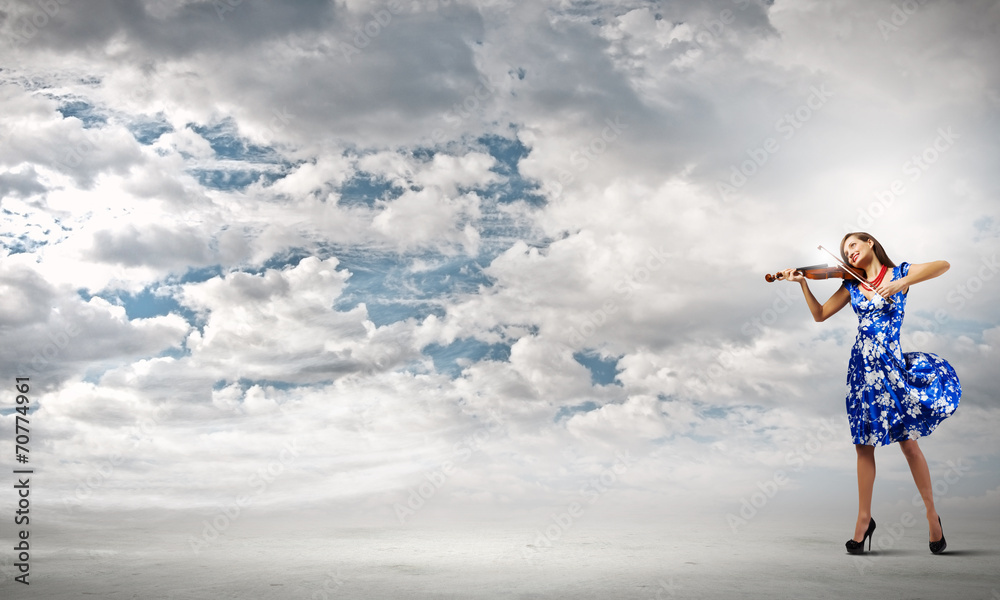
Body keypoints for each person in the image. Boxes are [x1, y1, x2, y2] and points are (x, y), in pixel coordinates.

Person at [780, 232, 961, 555]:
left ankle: (932, 516)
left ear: (870, 244)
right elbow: (820, 315)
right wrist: (803, 283)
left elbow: (943, 265)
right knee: (863, 446)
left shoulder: (899, 273)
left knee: (909, 445)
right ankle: (864, 520)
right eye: (844, 250)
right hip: (862, 370)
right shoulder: (851, 284)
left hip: (891, 368)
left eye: (853, 245)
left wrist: (896, 284)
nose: (848, 253)